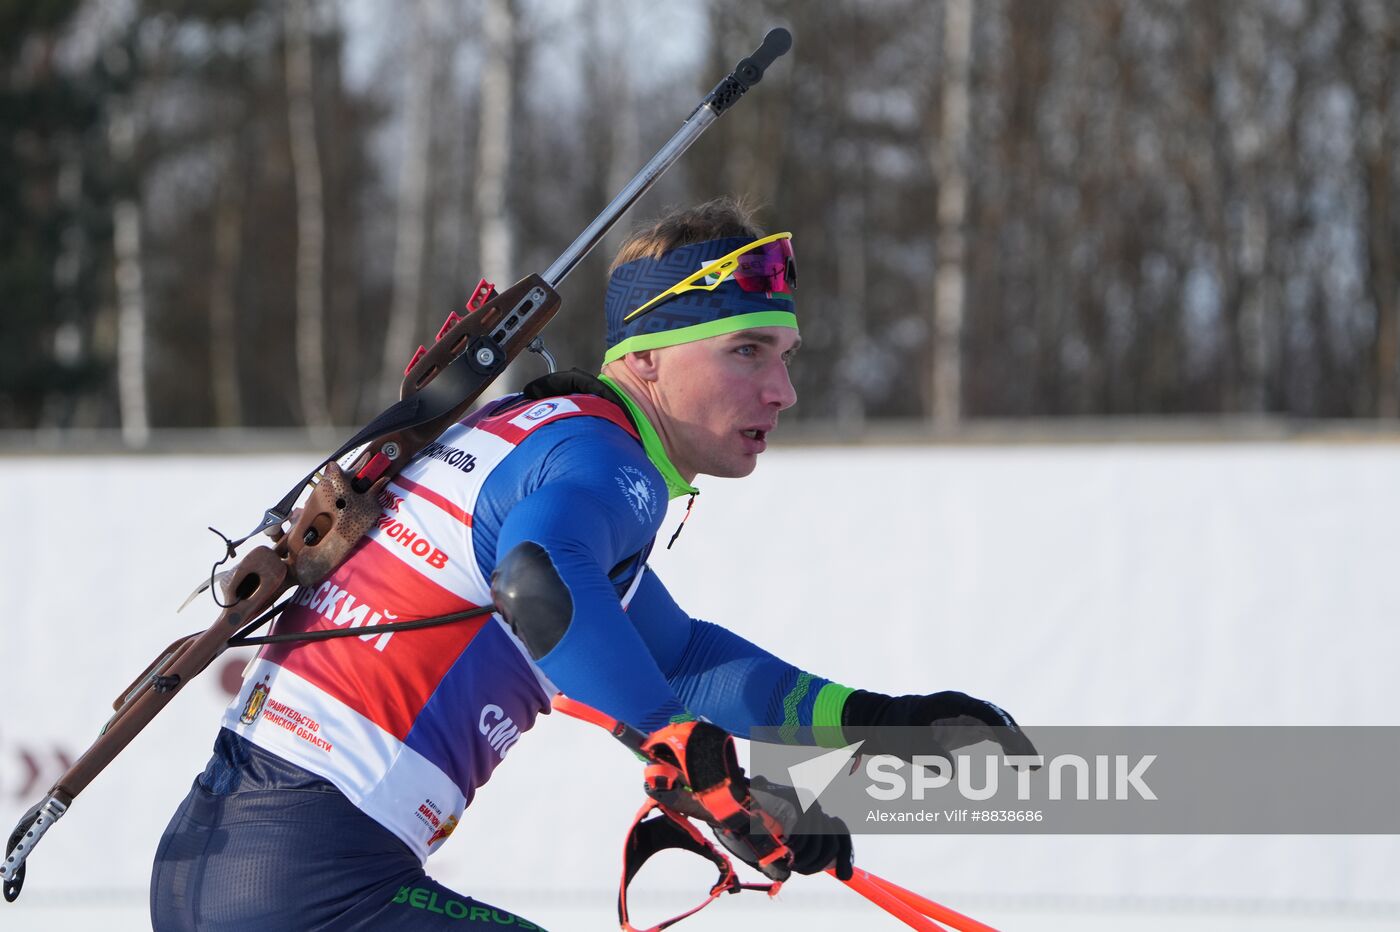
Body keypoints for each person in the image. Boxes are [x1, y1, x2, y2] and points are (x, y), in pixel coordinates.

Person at [149, 198, 1035, 930]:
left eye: (784, 356)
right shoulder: (608, 464)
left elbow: (681, 661)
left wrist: (879, 719)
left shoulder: (535, 437)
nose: (781, 390)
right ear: (644, 358)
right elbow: (536, 575)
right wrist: (686, 754)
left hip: (222, 867)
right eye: (745, 352)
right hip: (312, 883)